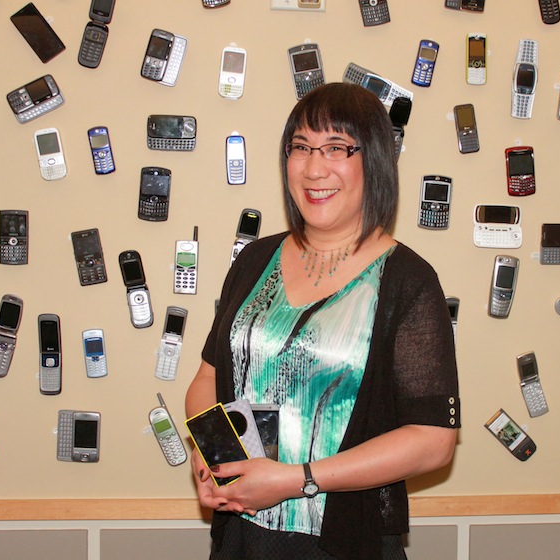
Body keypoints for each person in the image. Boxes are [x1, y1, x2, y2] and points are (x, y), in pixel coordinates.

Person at [185, 82, 460, 560]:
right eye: (301, 147)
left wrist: (297, 480)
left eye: (336, 148)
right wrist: (216, 456)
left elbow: (434, 441)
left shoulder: (407, 281)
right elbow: (208, 377)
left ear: (374, 160)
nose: (314, 168)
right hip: (241, 537)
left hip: (342, 542)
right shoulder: (254, 260)